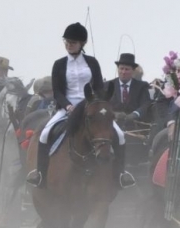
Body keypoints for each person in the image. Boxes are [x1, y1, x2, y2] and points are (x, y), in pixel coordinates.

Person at [26, 23, 133, 190]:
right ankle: (39, 174)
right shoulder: (59, 64)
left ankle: (120, 175)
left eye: (73, 42)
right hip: (67, 107)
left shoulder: (92, 62)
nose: (69, 45)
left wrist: (101, 103)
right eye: (67, 42)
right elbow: (57, 91)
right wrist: (68, 106)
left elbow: (98, 87)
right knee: (44, 134)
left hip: (90, 106)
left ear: (82, 43)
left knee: (119, 135)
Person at [106, 54, 152, 121]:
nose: (123, 72)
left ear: (133, 70)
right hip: (111, 124)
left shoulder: (142, 86)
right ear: (118, 69)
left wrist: (135, 114)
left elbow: (146, 104)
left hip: (135, 124)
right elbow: (101, 106)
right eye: (121, 68)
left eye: (127, 69)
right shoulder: (107, 86)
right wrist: (113, 114)